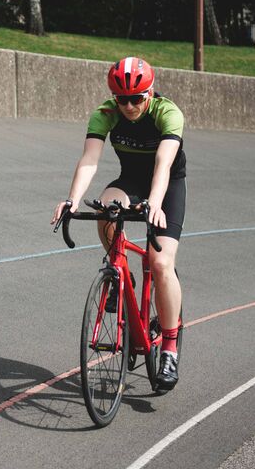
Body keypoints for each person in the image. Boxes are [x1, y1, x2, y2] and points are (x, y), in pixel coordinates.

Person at [51, 56, 186, 390]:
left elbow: (164, 164)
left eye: (136, 98)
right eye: (121, 98)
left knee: (160, 262)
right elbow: (89, 160)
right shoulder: (105, 113)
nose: (128, 106)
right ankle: (119, 273)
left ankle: (169, 346)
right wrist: (70, 199)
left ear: (150, 93)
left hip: (165, 186)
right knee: (105, 208)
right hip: (130, 180)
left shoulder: (167, 112)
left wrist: (154, 203)